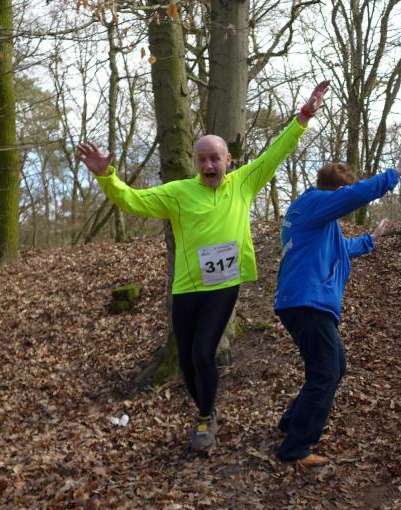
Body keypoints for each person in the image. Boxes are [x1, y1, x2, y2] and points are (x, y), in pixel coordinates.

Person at [75, 81, 331, 453]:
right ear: (195, 163)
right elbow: (132, 201)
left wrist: (304, 116)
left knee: (202, 353)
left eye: (215, 158)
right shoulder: (178, 193)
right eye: (202, 159)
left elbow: (277, 152)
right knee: (185, 360)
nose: (209, 165)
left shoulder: (243, 183)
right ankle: (206, 409)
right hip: (186, 285)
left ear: (228, 161)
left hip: (223, 283)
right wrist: (106, 176)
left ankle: (205, 416)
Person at [274, 153, 401, 466]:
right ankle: (295, 448)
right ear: (336, 192)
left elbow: (340, 248)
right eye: (342, 197)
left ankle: (291, 423)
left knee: (334, 367)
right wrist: (395, 173)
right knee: (325, 372)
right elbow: (356, 195)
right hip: (307, 302)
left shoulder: (314, 217)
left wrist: (370, 240)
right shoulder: (314, 203)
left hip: (306, 302)